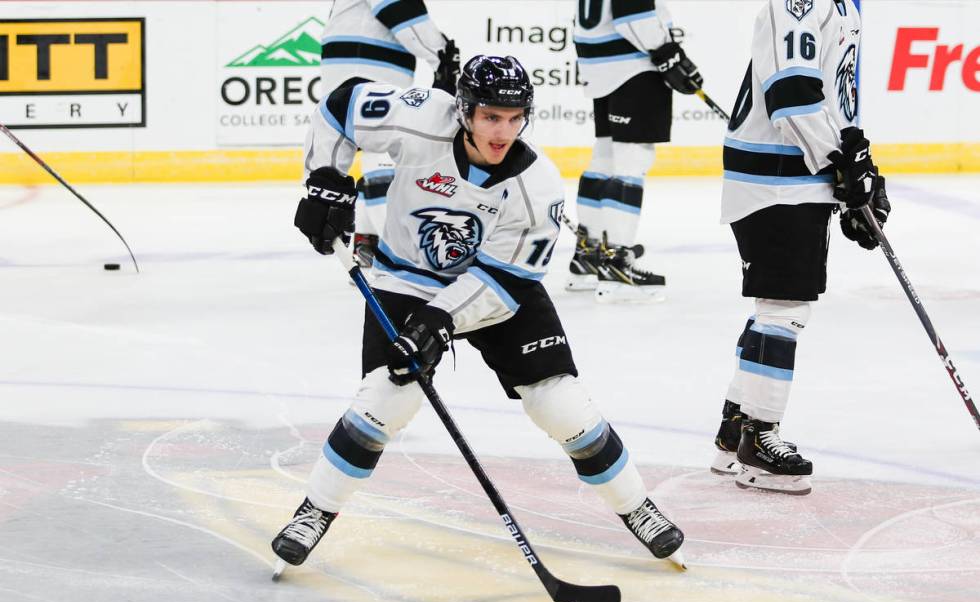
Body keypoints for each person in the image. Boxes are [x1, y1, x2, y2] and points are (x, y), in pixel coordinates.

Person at [272, 55, 685, 570]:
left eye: (515, 118)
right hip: (406, 278)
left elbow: (505, 280)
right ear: (465, 111)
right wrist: (325, 180)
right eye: (491, 116)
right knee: (386, 398)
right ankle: (314, 510)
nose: (502, 131)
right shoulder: (422, 116)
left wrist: (437, 322)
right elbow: (341, 107)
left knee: (559, 402)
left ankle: (635, 506)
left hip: (494, 288)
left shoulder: (538, 186)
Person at [710, 0, 890, 495]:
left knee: (783, 307)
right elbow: (791, 92)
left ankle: (734, 430)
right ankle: (758, 440)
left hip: (798, 176)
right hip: (773, 178)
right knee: (784, 307)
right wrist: (839, 161)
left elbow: (836, 91)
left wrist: (857, 162)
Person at [569, 0, 703, 303]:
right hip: (633, 65)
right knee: (633, 159)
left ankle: (589, 256)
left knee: (604, 156)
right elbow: (633, 15)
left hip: (600, 64)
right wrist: (666, 51)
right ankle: (616, 263)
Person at [320, 0, 459, 268]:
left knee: (373, 143)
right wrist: (441, 53)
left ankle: (367, 242)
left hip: (358, 54)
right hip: (366, 57)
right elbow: (398, 7)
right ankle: (399, 256)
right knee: (382, 143)